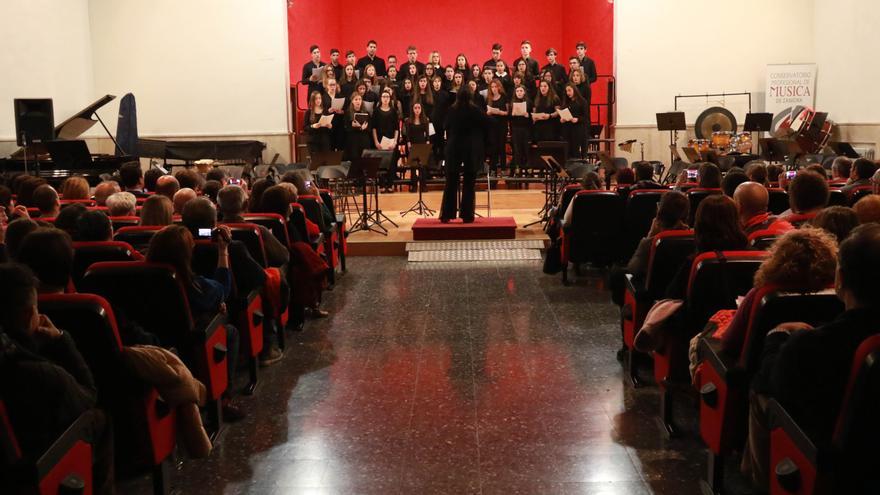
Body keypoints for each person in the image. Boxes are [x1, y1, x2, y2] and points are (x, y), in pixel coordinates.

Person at [742, 224, 880, 491]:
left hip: (832, 460)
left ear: (840, 278)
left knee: (760, 395)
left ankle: (763, 483)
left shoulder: (812, 346)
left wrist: (776, 338)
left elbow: (773, 382)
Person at [0, 264, 114, 494]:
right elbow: (88, 396)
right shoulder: (39, 374)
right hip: (35, 467)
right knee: (99, 419)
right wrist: (61, 341)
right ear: (29, 314)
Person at [146, 224, 246, 421]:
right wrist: (223, 250)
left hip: (150, 341)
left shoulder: (140, 274)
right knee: (230, 331)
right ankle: (222, 398)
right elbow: (222, 290)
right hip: (187, 342)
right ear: (185, 254)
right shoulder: (189, 283)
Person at [608, 191, 690, 307]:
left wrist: (649, 236)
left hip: (653, 297)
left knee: (616, 273)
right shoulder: (693, 238)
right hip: (682, 298)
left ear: (660, 213)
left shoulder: (654, 242)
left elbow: (633, 269)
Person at [440, 89, 491, 223]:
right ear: (471, 97)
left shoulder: (452, 110)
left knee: (451, 181)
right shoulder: (475, 110)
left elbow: (445, 125)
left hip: (454, 147)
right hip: (471, 148)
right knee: (469, 181)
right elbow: (489, 124)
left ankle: (447, 214)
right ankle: (467, 215)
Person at [217, 185, 289, 268]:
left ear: (218, 207)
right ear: (246, 205)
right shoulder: (259, 230)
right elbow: (284, 257)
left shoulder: (214, 231)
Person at [371, 90, 400, 191]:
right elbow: (373, 128)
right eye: (383, 96)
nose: (385, 98)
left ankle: (390, 184)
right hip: (380, 140)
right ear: (381, 98)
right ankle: (382, 184)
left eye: (387, 96)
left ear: (390, 98)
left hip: (391, 140)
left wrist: (395, 141)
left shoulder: (393, 111)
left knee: (391, 163)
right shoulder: (376, 111)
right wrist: (376, 142)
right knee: (381, 163)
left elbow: (397, 128)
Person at [485, 79, 510, 176]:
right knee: (493, 148)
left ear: (499, 87)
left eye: (495, 87)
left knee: (501, 147)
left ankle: (503, 169)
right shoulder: (489, 98)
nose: (494, 89)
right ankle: (493, 169)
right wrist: (488, 112)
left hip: (502, 125)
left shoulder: (504, 97)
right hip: (492, 126)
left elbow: (508, 112)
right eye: (492, 87)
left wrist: (499, 112)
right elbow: (486, 112)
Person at [558, 84, 588, 160]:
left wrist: (577, 119)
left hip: (577, 129)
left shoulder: (582, 101)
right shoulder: (566, 102)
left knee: (575, 151)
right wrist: (562, 119)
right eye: (566, 91)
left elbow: (586, 117)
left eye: (569, 90)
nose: (568, 93)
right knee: (567, 152)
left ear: (574, 90)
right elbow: (562, 113)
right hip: (567, 129)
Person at [508, 85, 532, 176]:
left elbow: (532, 117)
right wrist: (512, 115)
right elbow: (509, 118)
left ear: (524, 92)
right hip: (516, 129)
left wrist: (527, 115)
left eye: (521, 91)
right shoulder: (512, 103)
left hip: (526, 129)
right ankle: (517, 169)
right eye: (517, 91)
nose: (519, 93)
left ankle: (528, 169)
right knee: (517, 150)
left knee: (526, 149)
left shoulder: (528, 103)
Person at [343, 93, 373, 162]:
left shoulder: (366, 113)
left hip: (364, 140)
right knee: (355, 161)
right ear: (352, 101)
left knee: (364, 161)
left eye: (359, 99)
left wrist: (365, 127)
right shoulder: (348, 113)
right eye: (356, 99)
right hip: (353, 141)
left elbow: (370, 127)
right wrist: (352, 126)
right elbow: (346, 128)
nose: (358, 101)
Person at [321, 78, 345, 151]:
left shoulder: (340, 96)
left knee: (340, 145)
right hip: (329, 125)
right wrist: (328, 111)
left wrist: (342, 112)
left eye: (334, 85)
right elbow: (321, 111)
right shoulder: (323, 97)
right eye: (330, 85)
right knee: (330, 146)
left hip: (339, 124)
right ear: (327, 86)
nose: (332, 87)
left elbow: (345, 110)